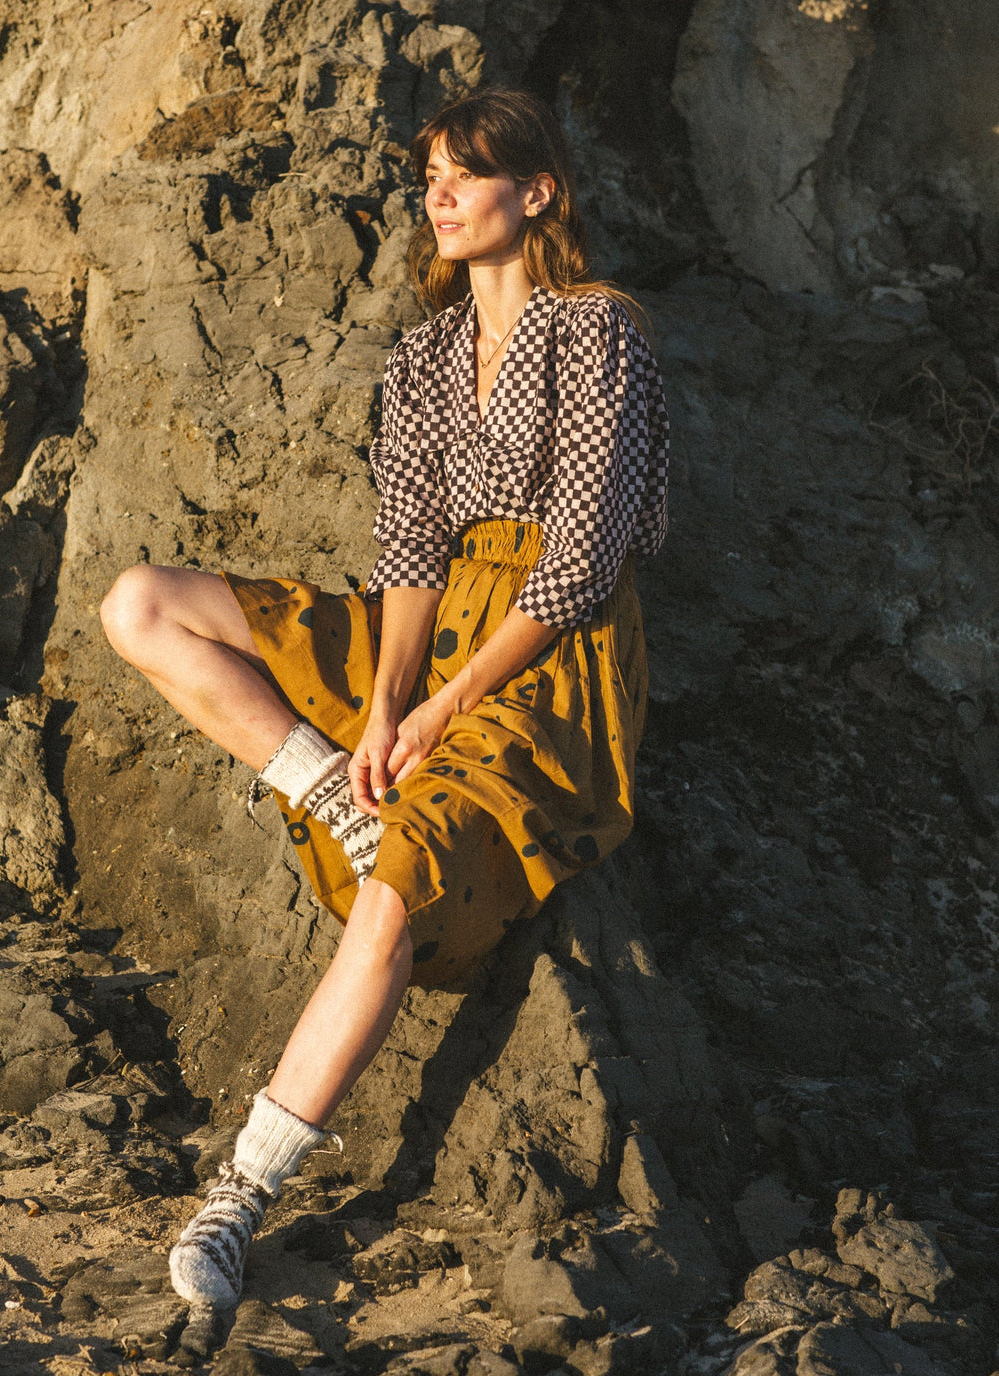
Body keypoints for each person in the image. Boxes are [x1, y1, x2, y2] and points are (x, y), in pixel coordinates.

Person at [99, 86, 669, 1312]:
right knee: (142, 604)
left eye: (467, 175)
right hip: (438, 623)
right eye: (431, 180)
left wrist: (446, 704)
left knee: (394, 899)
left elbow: (577, 560)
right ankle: (346, 807)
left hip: (544, 663)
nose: (441, 198)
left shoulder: (598, 330)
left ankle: (239, 1197)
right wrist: (379, 712)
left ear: (540, 192)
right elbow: (407, 550)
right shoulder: (421, 356)